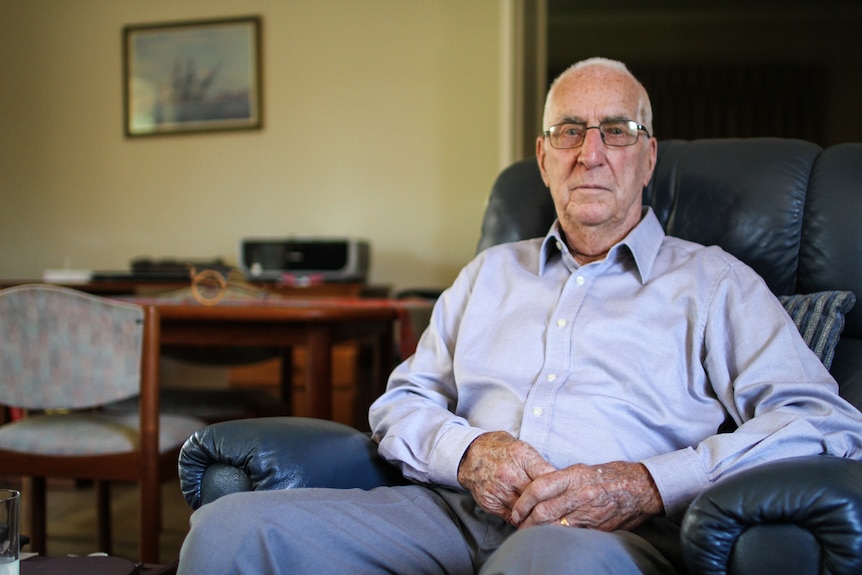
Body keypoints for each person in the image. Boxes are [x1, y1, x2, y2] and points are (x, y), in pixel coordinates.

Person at [177, 57, 862, 575]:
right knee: (229, 529)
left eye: (616, 131)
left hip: (604, 538)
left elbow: (821, 421)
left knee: (539, 562)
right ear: (543, 157)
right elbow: (401, 402)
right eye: (569, 130)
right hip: (448, 512)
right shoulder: (489, 274)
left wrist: (645, 481)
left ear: (649, 156)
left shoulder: (715, 282)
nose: (590, 152)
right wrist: (468, 451)